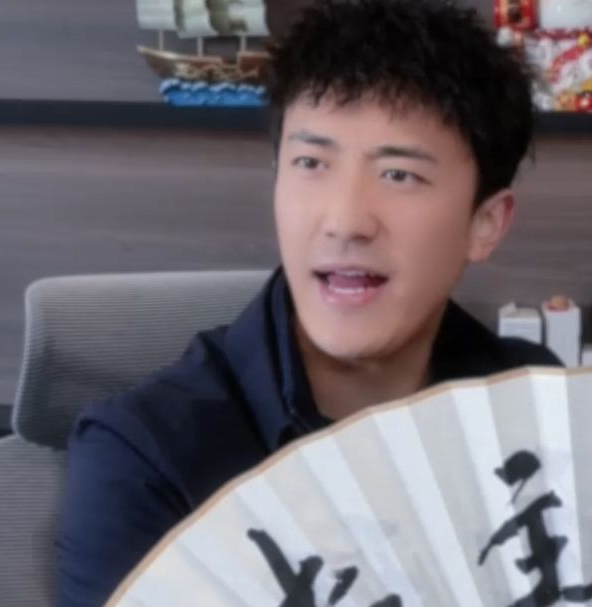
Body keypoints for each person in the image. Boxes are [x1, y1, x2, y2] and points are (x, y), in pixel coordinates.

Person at [54, 0, 559, 604]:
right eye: (311, 163)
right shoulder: (147, 458)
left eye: (399, 174)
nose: (345, 220)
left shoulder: (533, 408)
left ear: (485, 224)